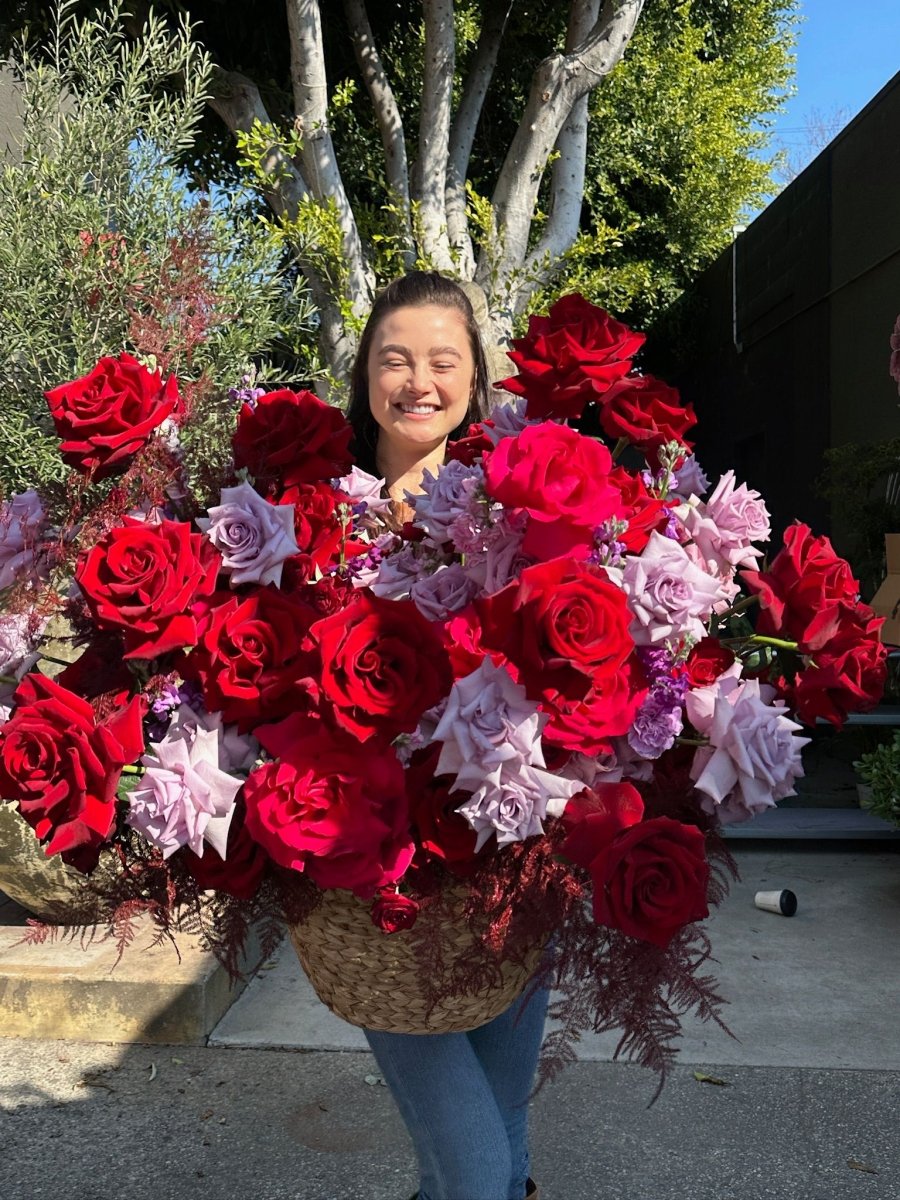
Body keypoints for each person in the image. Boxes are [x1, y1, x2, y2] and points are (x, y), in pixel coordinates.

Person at [345, 271, 546, 1200]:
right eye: (395, 360)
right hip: (381, 885)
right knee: (478, 1172)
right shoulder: (315, 516)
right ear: (365, 378)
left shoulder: (514, 510)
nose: (418, 381)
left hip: (514, 865)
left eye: (442, 360)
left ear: (475, 378)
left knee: (499, 1150)